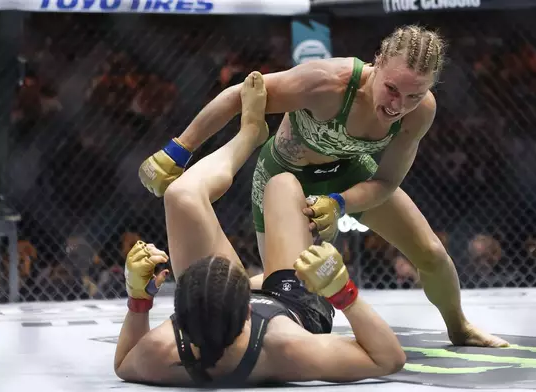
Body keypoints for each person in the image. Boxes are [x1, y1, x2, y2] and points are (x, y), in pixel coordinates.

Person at [138, 25, 508, 347]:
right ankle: (254, 280)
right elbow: (242, 94)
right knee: (285, 292)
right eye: (393, 89)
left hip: (350, 174)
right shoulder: (329, 82)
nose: (398, 105)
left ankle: (459, 327)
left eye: (414, 95)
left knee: (432, 254)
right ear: (377, 62)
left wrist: (339, 203)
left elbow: (387, 181)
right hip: (285, 178)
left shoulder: (422, 111)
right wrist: (178, 150)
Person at [114, 72, 406, 387]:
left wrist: (139, 301)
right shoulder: (287, 348)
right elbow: (387, 358)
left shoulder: (163, 352)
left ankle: (249, 134)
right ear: (249, 312)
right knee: (281, 184)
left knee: (180, 196)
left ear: (178, 319)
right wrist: (342, 292)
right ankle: (259, 143)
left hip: (218, 307)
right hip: (294, 301)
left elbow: (123, 363)